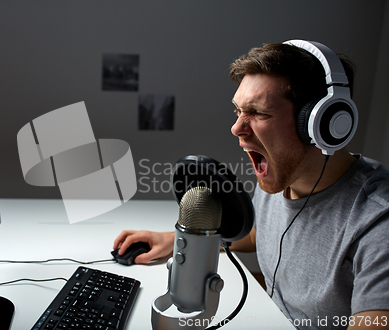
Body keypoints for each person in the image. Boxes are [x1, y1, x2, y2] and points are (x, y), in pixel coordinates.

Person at [113, 41, 389, 329]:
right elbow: (258, 233)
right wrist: (177, 241)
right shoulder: (283, 176)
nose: (236, 128)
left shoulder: (378, 223)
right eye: (238, 111)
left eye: (258, 113)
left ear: (320, 124)